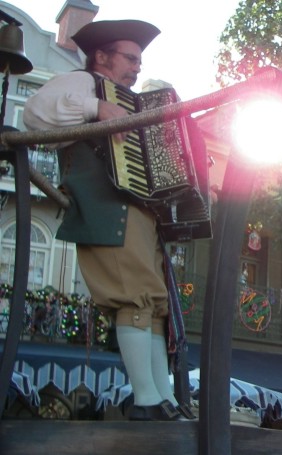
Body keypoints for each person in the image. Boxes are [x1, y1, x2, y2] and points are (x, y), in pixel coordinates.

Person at [23, 19, 193, 421]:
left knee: (152, 302)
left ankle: (162, 396)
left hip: (137, 209)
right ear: (101, 56)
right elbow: (34, 113)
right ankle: (147, 400)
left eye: (139, 60)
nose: (137, 67)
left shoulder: (128, 99)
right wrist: (95, 108)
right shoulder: (82, 83)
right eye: (130, 58)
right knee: (132, 296)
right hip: (106, 206)